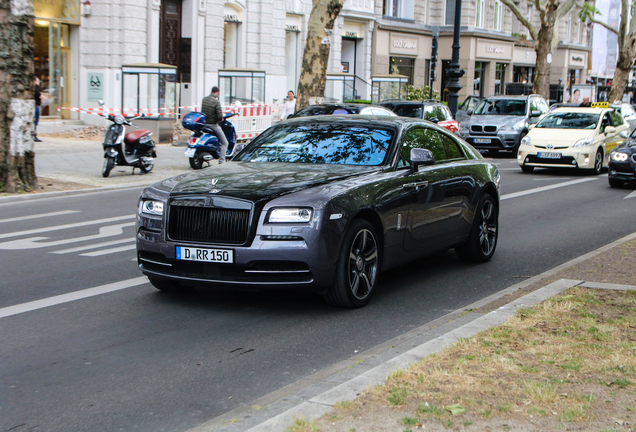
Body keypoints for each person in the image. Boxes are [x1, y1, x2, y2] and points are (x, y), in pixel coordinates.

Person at [200, 86, 229, 164]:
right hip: (213, 125)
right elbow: (219, 116)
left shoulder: (204, 99)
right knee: (224, 143)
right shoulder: (216, 102)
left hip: (204, 124)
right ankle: (221, 161)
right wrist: (220, 119)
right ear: (217, 92)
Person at [34, 77, 42, 142]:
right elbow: (40, 96)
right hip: (36, 106)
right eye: (38, 81)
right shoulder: (35, 89)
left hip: (35, 105)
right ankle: (34, 135)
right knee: (35, 121)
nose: (39, 82)